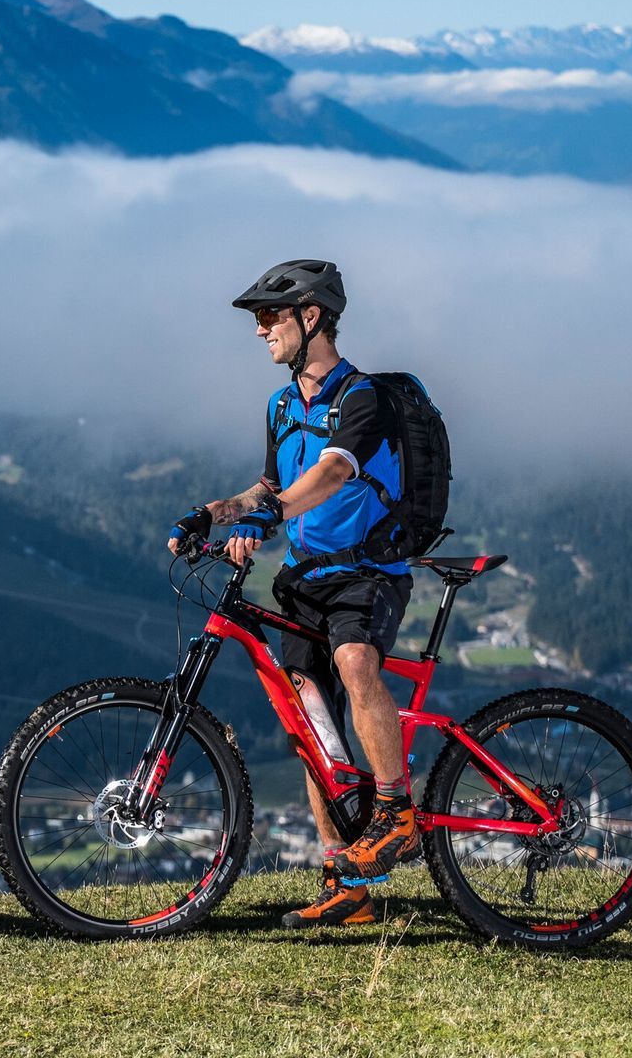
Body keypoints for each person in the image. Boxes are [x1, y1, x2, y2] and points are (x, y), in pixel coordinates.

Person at [168, 259, 420, 929]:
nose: (259, 332)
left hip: (368, 573)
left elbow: (335, 471)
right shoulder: (281, 406)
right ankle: (347, 883)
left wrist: (272, 516)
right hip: (305, 579)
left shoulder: (363, 398)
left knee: (354, 662)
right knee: (312, 727)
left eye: (268, 317)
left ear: (312, 317)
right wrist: (215, 512)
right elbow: (268, 487)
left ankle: (397, 813)